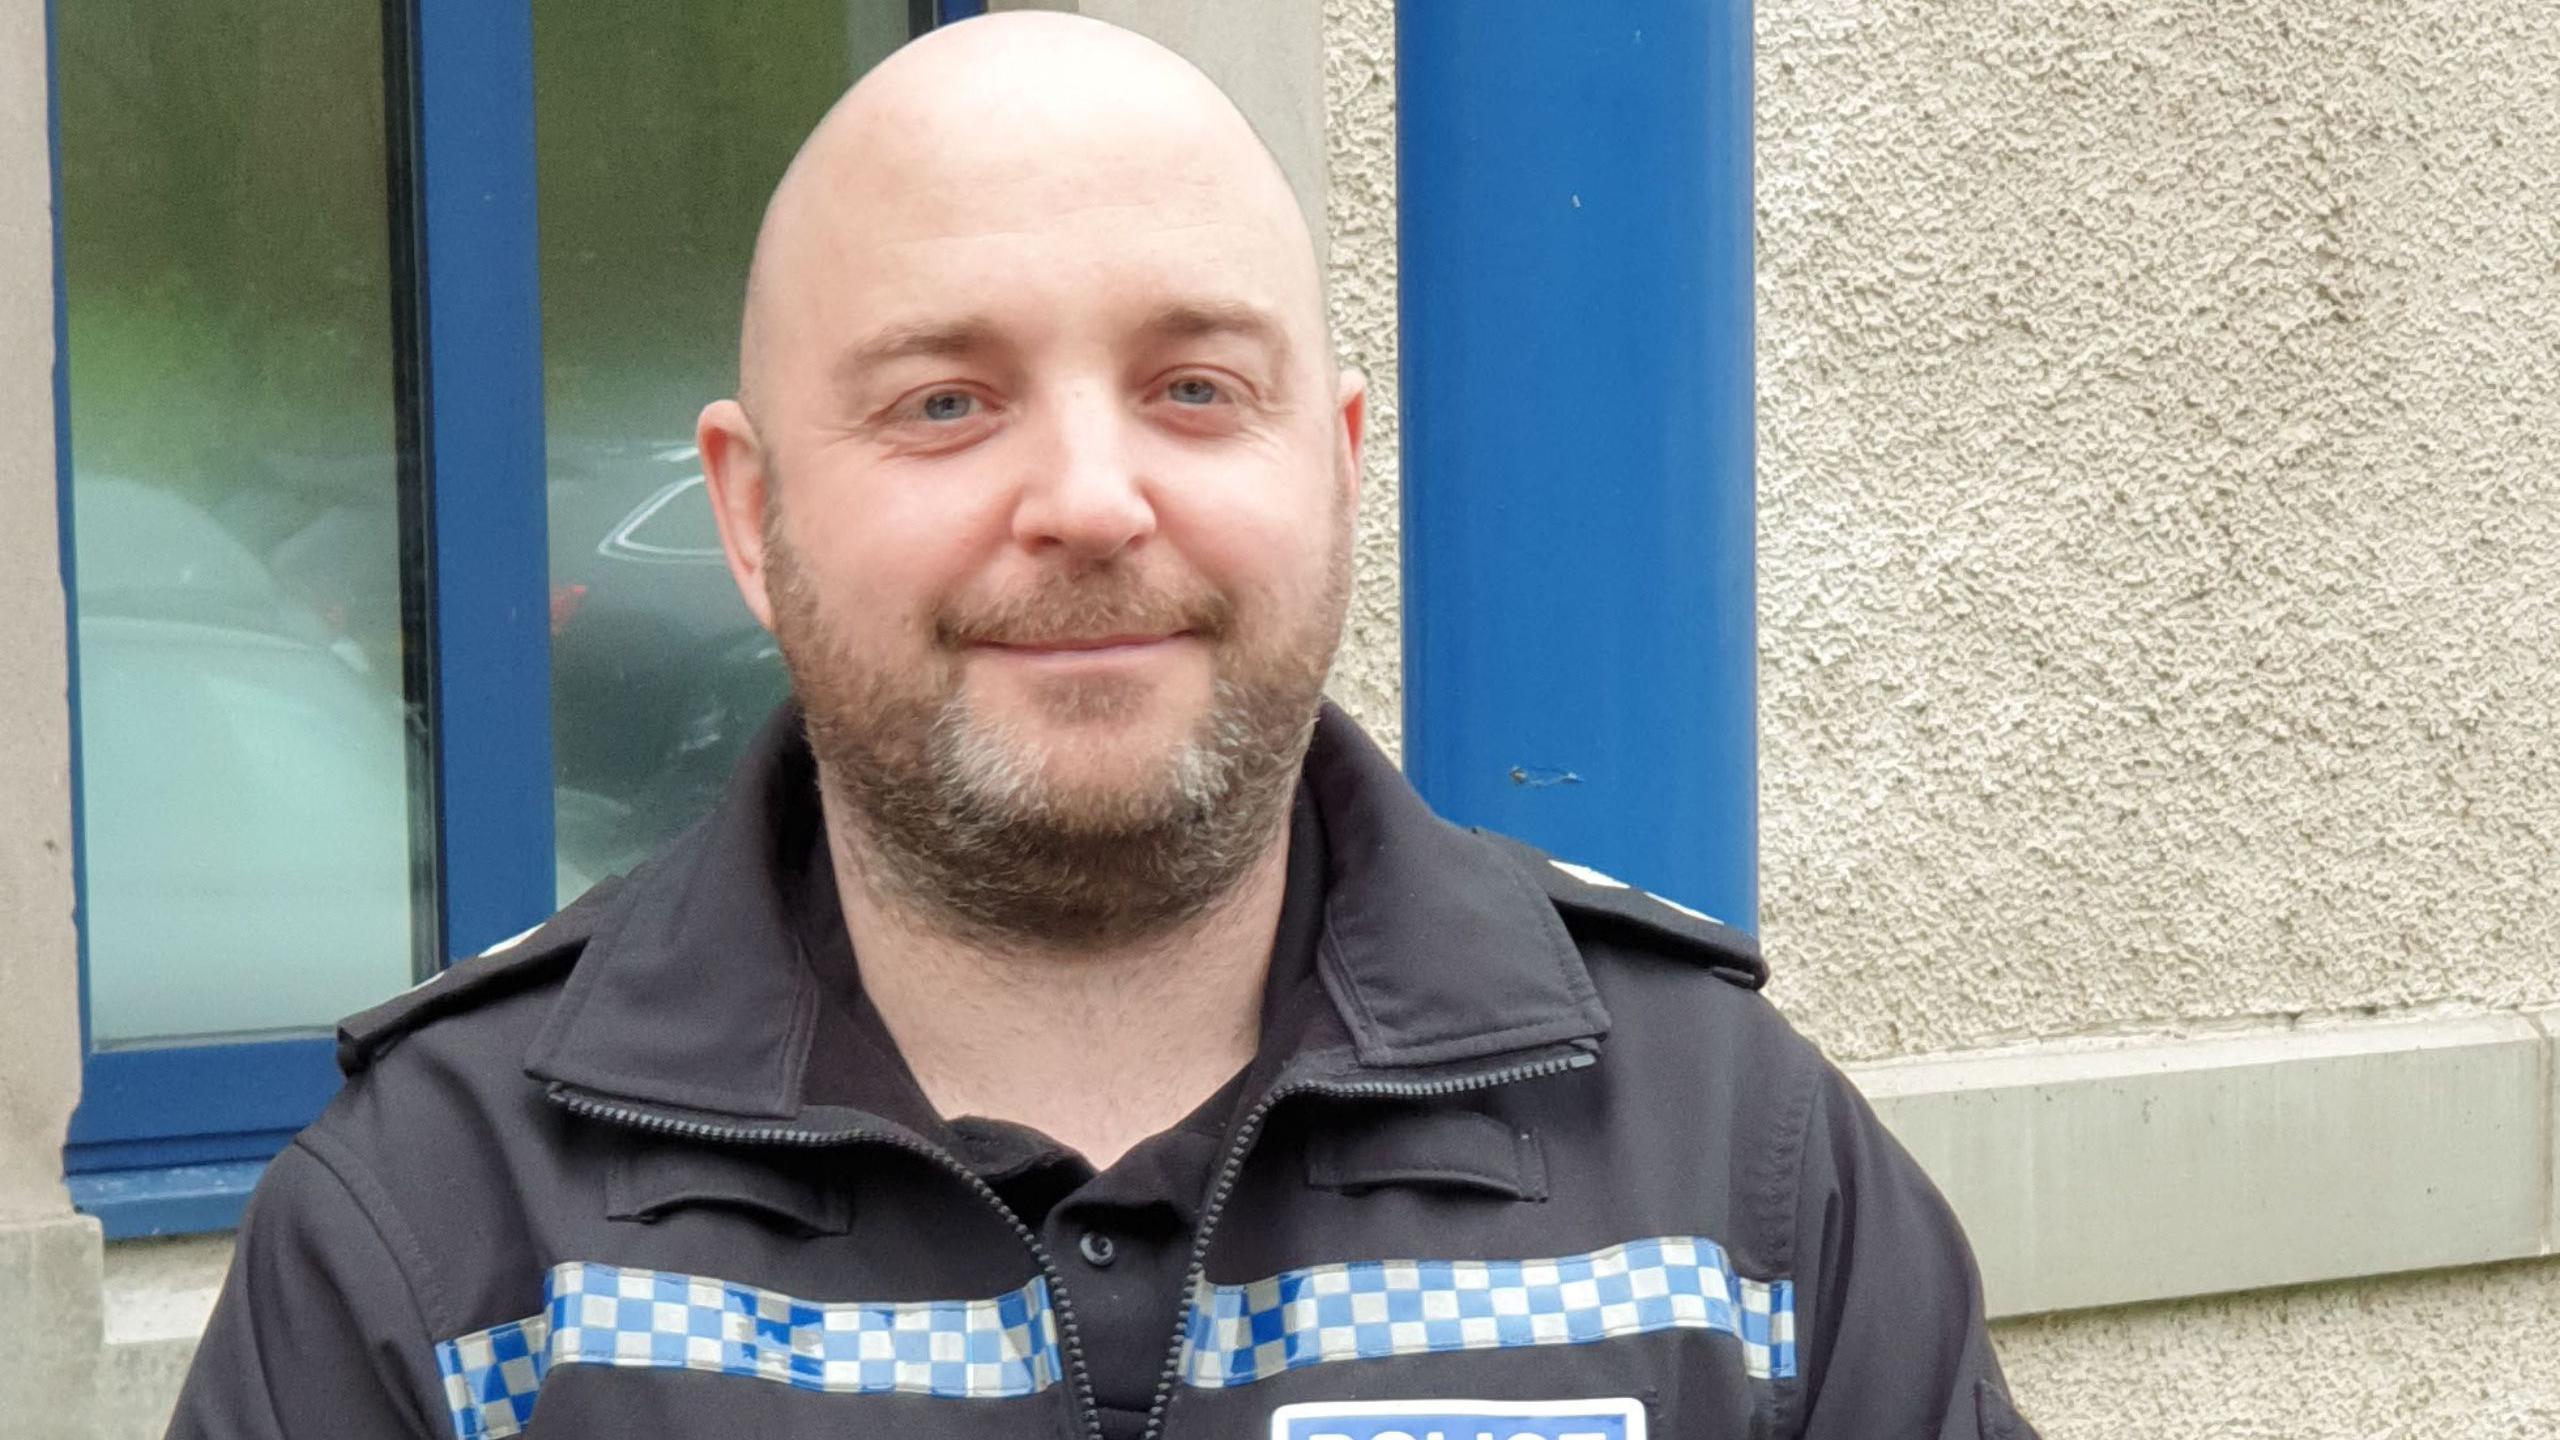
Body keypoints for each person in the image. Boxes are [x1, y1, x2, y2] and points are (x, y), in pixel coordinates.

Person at [170, 14, 2035, 1440]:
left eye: (1195, 387)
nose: (1088, 497)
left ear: (1339, 464)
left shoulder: (1734, 1176)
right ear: (750, 516)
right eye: (946, 401)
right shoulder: (432, 1240)